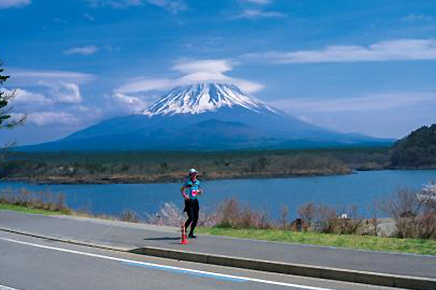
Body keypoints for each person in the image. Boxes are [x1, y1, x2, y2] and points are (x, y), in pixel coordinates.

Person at [181, 168, 202, 238]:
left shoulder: (198, 182)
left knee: (196, 218)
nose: (194, 175)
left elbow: (199, 190)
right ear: (190, 174)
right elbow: (182, 189)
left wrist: (200, 192)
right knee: (191, 218)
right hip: (188, 201)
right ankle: (184, 229)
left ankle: (191, 233)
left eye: (195, 173)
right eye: (193, 173)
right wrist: (184, 195)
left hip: (195, 201)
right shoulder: (187, 182)